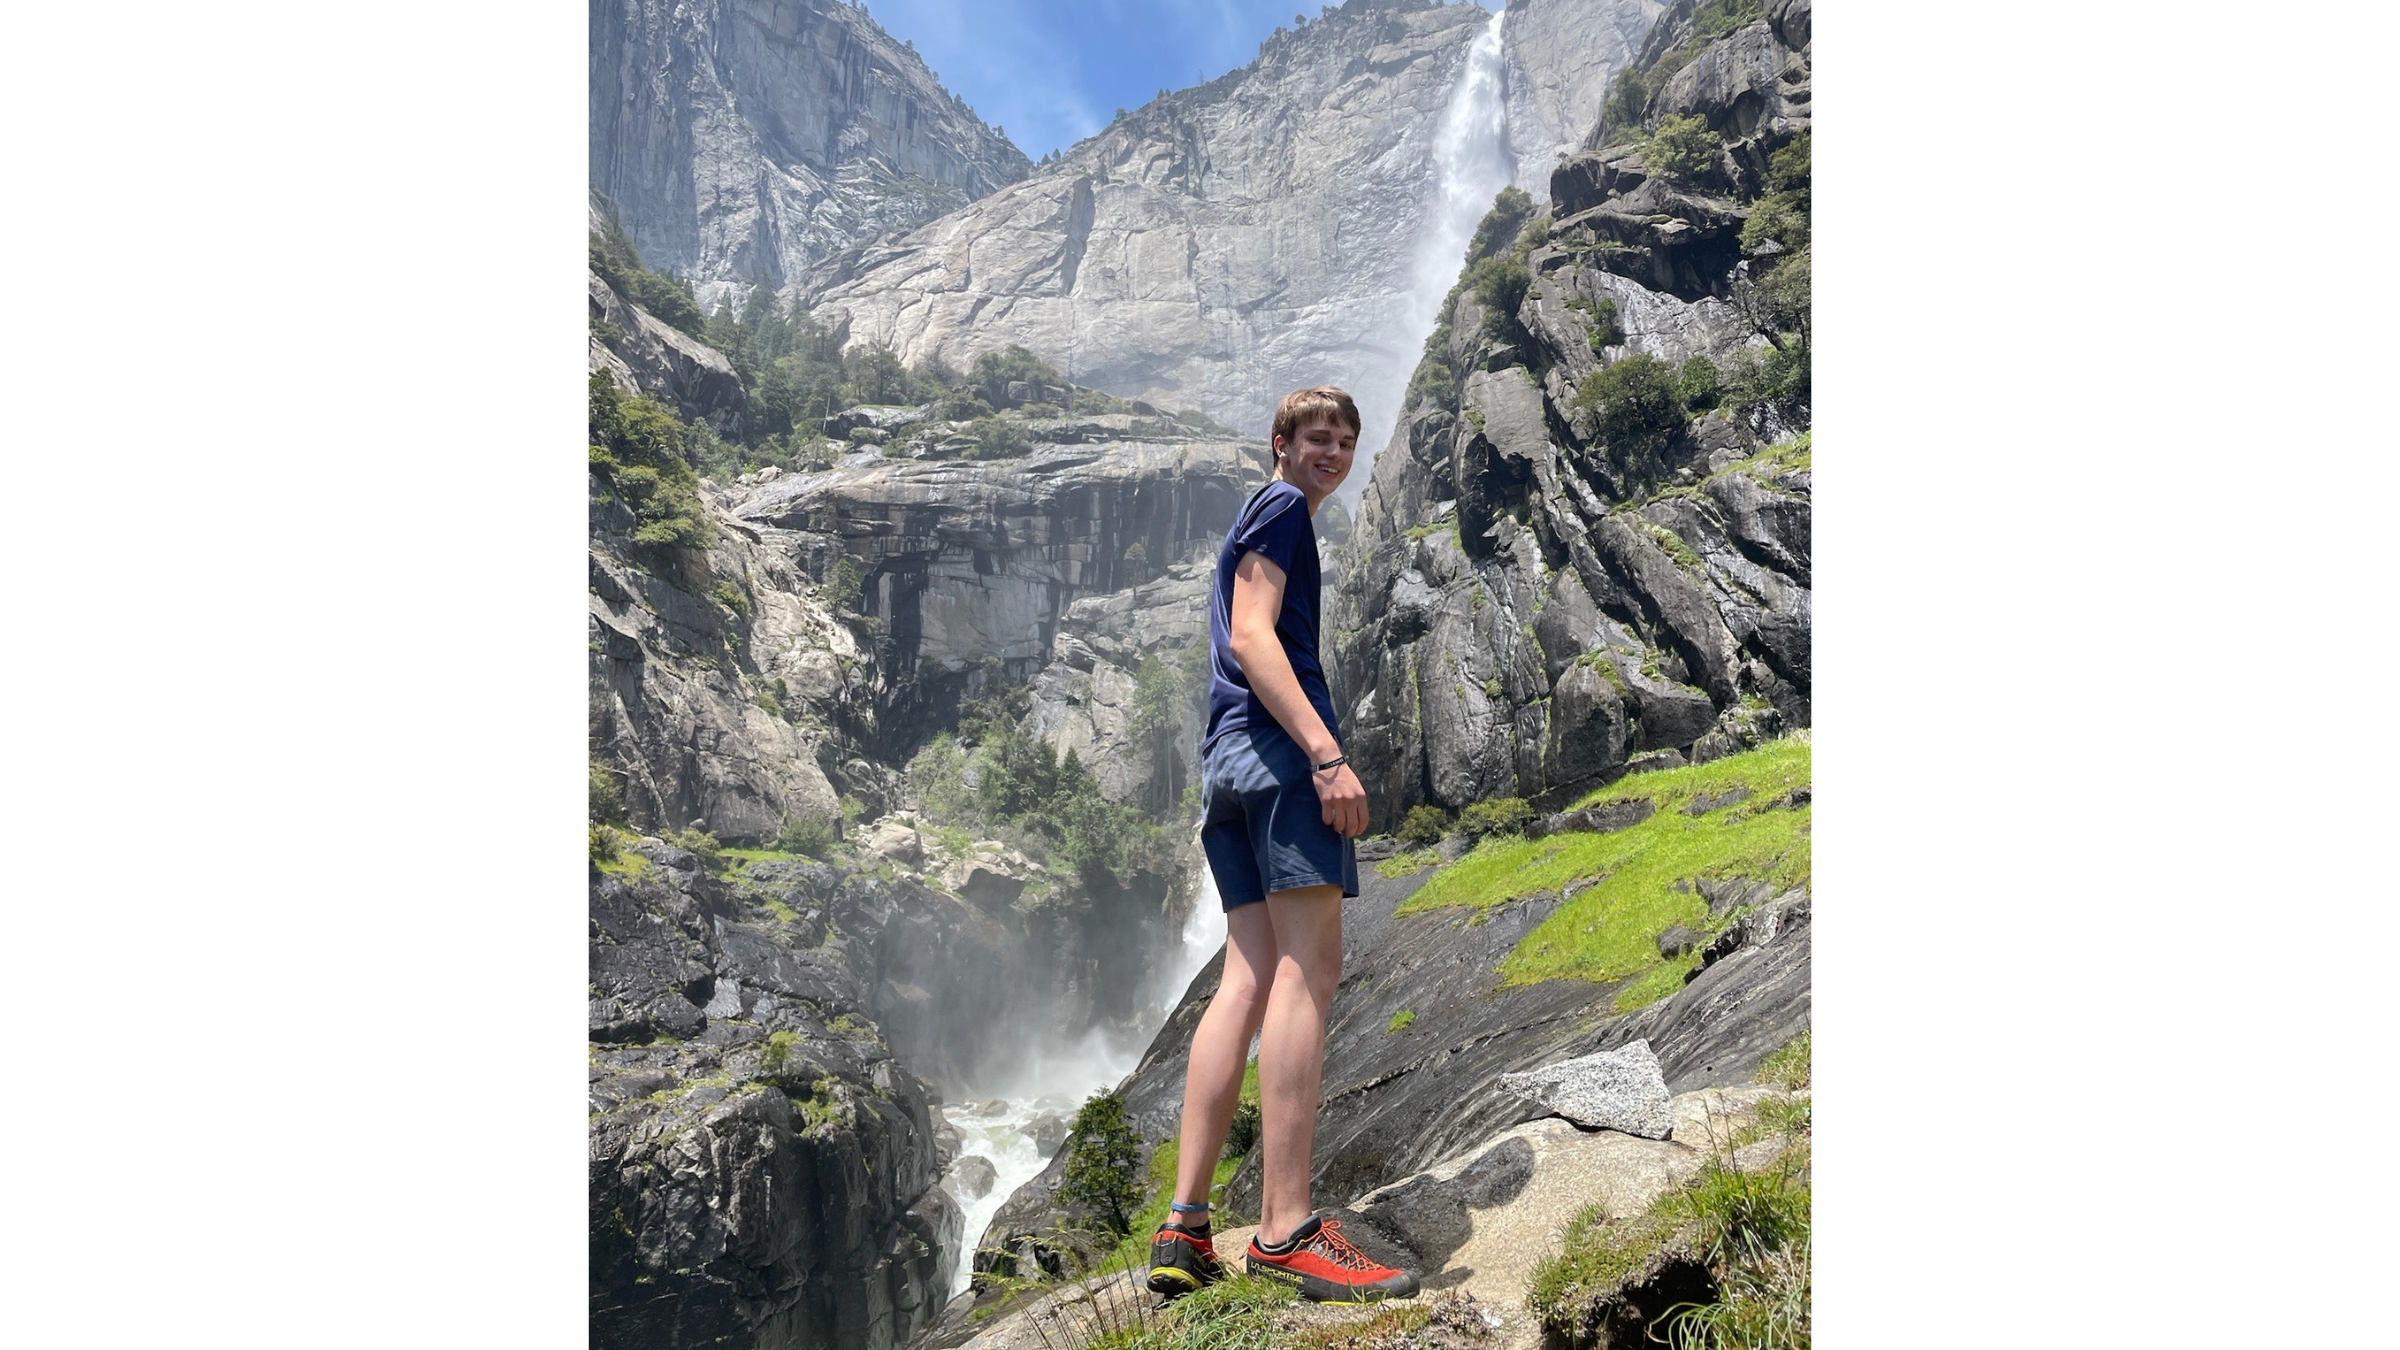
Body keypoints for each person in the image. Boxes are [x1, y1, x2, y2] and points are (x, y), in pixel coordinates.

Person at [1144, 386, 1421, 1304]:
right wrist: (1326, 755)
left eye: (1346, 441)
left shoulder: (1253, 516)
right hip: (1277, 759)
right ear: (1280, 443)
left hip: (1226, 768)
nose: (1333, 453)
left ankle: (1185, 1228)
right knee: (1311, 971)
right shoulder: (1281, 507)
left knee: (1247, 982)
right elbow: (1256, 639)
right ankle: (1286, 1229)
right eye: (1317, 438)